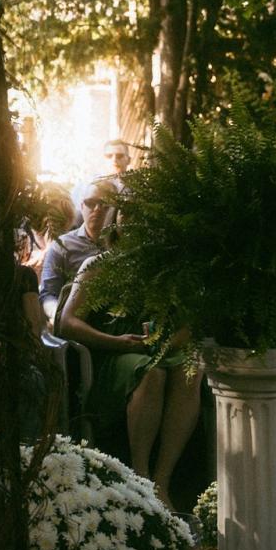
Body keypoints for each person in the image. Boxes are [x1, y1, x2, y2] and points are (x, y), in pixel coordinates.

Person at [57, 254, 200, 506]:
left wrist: (163, 345)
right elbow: (67, 323)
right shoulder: (98, 265)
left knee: (191, 372)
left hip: (156, 351)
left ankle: (162, 481)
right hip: (109, 353)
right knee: (151, 373)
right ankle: (141, 477)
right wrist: (117, 342)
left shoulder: (169, 263)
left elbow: (190, 325)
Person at [39, 178, 117, 326]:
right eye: (90, 203)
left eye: (105, 203)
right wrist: (60, 317)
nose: (97, 209)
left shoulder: (125, 245)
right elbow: (48, 294)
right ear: (82, 206)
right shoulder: (62, 246)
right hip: (77, 326)